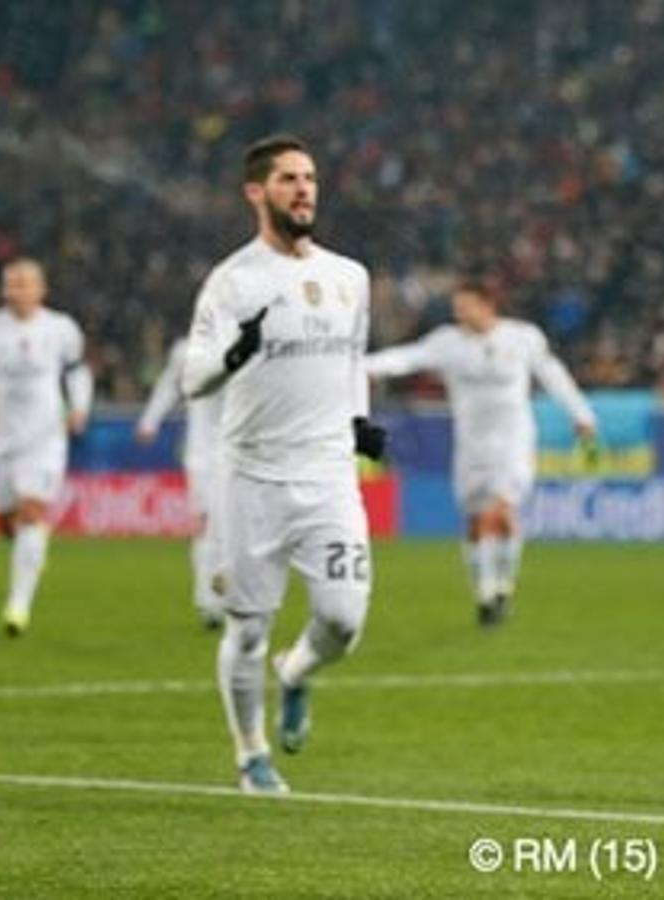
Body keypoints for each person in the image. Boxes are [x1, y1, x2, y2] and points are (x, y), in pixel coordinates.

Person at [180, 134, 386, 794]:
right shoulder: (232, 282)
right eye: (289, 179)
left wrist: (359, 421)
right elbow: (193, 380)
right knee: (246, 630)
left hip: (328, 476)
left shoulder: (349, 277)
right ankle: (250, 755)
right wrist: (234, 356)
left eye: (310, 178)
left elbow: (353, 359)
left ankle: (295, 672)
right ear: (256, 192)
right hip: (252, 479)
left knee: (344, 620)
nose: (303, 189)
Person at [365, 282, 597, 626]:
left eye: (466, 306)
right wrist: (366, 365)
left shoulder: (522, 338)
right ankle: (488, 590)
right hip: (472, 444)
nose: (459, 314)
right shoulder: (448, 342)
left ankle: (497, 590)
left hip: (513, 440)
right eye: (457, 308)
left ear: (488, 305)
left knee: (501, 511)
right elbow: (408, 357)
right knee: (476, 522)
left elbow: (552, 373)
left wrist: (581, 414)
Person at [0, 258, 92, 637]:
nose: (18, 290)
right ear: (3, 289)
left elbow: (77, 372)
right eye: (12, 284)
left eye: (25, 283)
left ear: (41, 289)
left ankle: (18, 607)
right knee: (6, 522)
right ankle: (32, 548)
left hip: (45, 438)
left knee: (31, 513)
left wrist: (79, 408)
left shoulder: (61, 328)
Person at [136, 336, 227, 630]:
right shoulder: (187, 350)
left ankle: (232, 592)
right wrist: (150, 421)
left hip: (248, 452)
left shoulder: (259, 343)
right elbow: (169, 385)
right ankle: (208, 601)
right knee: (205, 522)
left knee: (239, 528)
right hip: (203, 453)